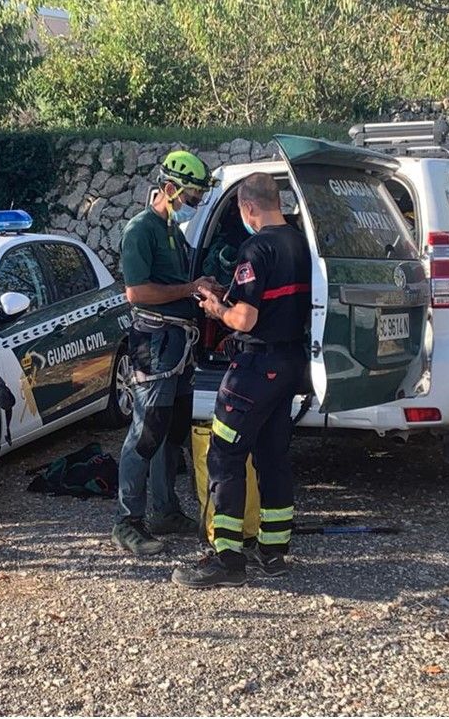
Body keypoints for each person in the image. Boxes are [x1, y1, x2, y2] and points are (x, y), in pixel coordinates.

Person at [172, 172, 311, 589]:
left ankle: (227, 558)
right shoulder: (301, 243)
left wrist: (217, 308)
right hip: (289, 362)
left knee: (225, 456)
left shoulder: (257, 248)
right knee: (273, 457)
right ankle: (274, 553)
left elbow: (245, 318)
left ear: (248, 208)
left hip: (255, 367)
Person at [113, 150, 223, 556]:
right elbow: (137, 292)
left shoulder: (171, 230)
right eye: (191, 195)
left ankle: (164, 509)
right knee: (145, 432)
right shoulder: (140, 230)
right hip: (154, 345)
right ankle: (127, 521)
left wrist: (201, 287)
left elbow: (175, 284)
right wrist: (190, 288)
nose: (194, 202)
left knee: (171, 432)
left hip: (177, 345)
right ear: (171, 188)